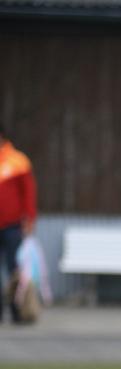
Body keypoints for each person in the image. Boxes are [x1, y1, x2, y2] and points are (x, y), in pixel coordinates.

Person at [0, 123, 37, 323]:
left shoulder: (18, 161)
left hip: (12, 225)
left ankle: (17, 310)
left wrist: (29, 218)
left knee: (14, 269)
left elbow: (28, 193)